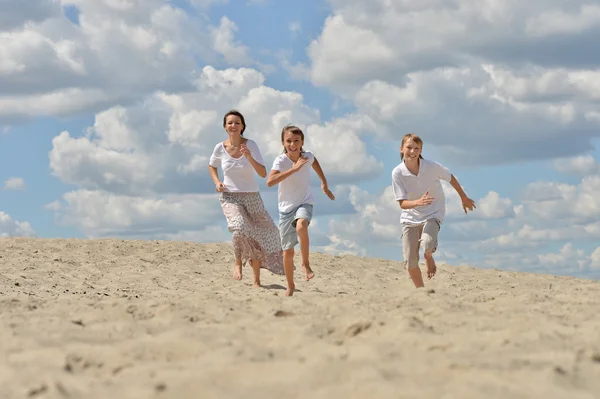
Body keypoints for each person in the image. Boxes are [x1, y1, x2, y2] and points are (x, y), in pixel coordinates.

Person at [208, 110, 284, 287]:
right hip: (230, 196)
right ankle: (237, 262)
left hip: (252, 198)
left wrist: (248, 156)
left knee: (259, 235)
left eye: (237, 123)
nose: (233, 126)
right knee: (239, 228)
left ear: (242, 126)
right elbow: (212, 166)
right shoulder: (220, 148)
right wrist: (217, 181)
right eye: (230, 123)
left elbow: (263, 173)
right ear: (225, 127)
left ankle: (257, 281)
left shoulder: (251, 145)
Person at [391, 133, 476, 288]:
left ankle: (428, 256)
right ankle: (421, 292)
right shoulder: (397, 172)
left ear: (421, 150)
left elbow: (450, 177)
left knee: (427, 244)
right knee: (410, 262)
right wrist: (418, 202)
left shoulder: (431, 166)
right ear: (401, 149)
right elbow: (402, 203)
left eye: (417, 148)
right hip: (409, 218)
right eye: (409, 147)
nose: (413, 151)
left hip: (432, 213)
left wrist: (463, 197)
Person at [266, 125, 335, 296]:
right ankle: (290, 286)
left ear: (302, 142)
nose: (293, 144)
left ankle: (305, 263)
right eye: (289, 141)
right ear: (283, 142)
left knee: (301, 226)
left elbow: (315, 162)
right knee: (288, 252)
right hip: (285, 209)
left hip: (304, 202)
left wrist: (324, 182)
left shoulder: (307, 156)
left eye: (296, 141)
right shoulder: (281, 161)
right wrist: (294, 169)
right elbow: (270, 181)